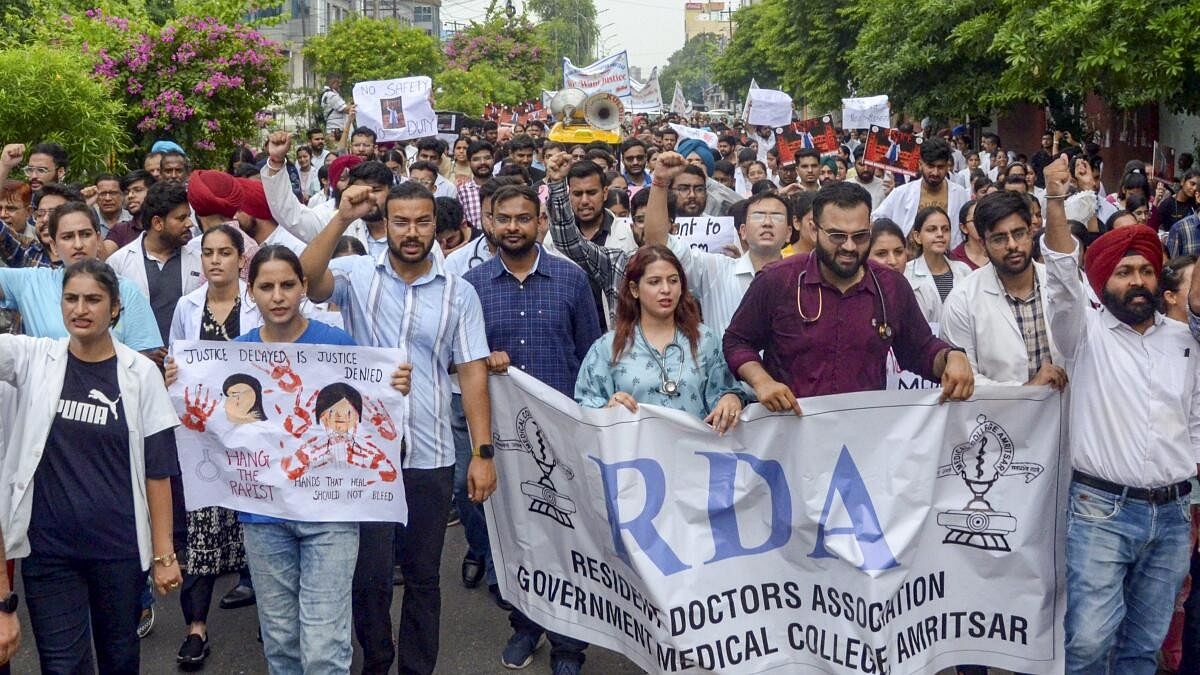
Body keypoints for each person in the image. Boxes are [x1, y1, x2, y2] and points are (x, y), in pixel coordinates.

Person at [300, 181, 495, 675]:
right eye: (401, 221)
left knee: (425, 577)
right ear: (386, 224)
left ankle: (416, 668)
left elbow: (471, 369)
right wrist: (342, 218)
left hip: (430, 455)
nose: (412, 233)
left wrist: (482, 452)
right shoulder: (356, 274)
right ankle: (377, 660)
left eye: (422, 221)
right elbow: (305, 278)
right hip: (364, 457)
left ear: (437, 225)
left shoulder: (460, 293)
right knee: (369, 579)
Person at [1041, 153, 1197, 675]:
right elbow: (1063, 277)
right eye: (1125, 271)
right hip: (1101, 512)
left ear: (1160, 280)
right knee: (1087, 644)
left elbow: (1194, 417)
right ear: (1104, 279)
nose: (1136, 281)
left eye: (1146, 271)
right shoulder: (1082, 336)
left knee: (1143, 646)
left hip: (1173, 516)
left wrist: (1187, 464)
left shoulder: (1182, 341)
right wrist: (1057, 200)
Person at [0, 258, 181, 673]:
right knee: (61, 666)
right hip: (49, 552)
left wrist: (164, 553)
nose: (80, 309)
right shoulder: (33, 358)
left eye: (93, 300)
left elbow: (158, 469)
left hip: (118, 550)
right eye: (71, 299)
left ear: (115, 308)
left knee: (119, 660)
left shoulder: (140, 374)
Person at [461, 184, 601, 674]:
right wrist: (483, 359)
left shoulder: (571, 279)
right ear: (490, 222)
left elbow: (592, 356)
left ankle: (569, 646)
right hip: (497, 440)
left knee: (565, 539)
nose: (514, 227)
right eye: (504, 218)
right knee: (510, 537)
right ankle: (525, 624)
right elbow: (457, 362)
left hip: (561, 438)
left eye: (524, 218)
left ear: (540, 221)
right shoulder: (471, 286)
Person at [722, 181, 974, 409]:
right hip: (791, 435)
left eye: (860, 236)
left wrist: (951, 357)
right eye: (837, 236)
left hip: (861, 437)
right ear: (813, 229)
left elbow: (920, 349)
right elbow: (736, 341)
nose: (850, 247)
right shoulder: (778, 280)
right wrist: (762, 381)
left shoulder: (891, 286)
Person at [228, 245, 360, 674]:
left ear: (305, 286)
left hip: (331, 513)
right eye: (266, 287)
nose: (278, 295)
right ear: (251, 293)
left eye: (288, 284)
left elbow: (369, 414)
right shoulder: (234, 354)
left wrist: (395, 383)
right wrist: (181, 384)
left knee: (324, 645)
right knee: (281, 642)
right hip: (264, 516)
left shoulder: (338, 343)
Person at [164, 224, 259, 667]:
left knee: (260, 529)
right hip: (203, 439)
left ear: (242, 258)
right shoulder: (187, 307)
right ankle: (196, 629)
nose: (215, 260)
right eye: (208, 252)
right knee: (202, 528)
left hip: (255, 437)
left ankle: (270, 620)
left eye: (225, 252)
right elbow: (177, 362)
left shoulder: (258, 302)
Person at [576, 244, 744, 430]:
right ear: (634, 289)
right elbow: (586, 406)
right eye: (654, 282)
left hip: (694, 454)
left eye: (673, 280)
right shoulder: (609, 346)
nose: (666, 289)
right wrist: (608, 408)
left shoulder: (704, 339)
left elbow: (725, 389)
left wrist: (732, 398)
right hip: (633, 455)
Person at [939, 190, 1066, 391]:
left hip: (1065, 416)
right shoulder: (962, 300)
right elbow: (964, 380)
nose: (1013, 245)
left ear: (1031, 231)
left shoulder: (1060, 286)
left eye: (1019, 234)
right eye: (999, 239)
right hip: (997, 420)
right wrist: (1026, 389)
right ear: (982, 243)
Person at [0, 201, 162, 351]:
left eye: (85, 234)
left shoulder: (126, 290)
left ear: (98, 239)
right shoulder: (30, 283)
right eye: (67, 237)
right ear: (54, 246)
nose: (78, 244)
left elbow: (145, 356)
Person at [106, 181, 204, 344]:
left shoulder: (199, 260)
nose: (189, 224)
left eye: (189, 216)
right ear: (158, 223)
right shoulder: (119, 263)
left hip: (187, 361)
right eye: (181, 218)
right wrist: (142, 351)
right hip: (136, 361)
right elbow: (111, 320)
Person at [873, 137, 970, 245]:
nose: (935, 172)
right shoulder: (901, 193)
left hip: (949, 259)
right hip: (910, 258)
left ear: (947, 166)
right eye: (930, 166)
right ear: (920, 165)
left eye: (940, 167)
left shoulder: (960, 194)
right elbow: (876, 221)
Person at [903, 206, 972, 325]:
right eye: (932, 229)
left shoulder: (964, 270)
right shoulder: (906, 273)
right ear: (917, 237)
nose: (940, 234)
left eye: (945, 229)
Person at [103, 169, 157, 254]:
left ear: (153, 192)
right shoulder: (121, 230)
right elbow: (103, 257)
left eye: (137, 190)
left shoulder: (166, 227)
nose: (130, 196)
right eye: (126, 193)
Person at [458, 141, 496, 229]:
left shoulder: (504, 187)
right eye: (476, 159)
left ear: (493, 159)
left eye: (487, 158)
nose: (482, 162)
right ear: (469, 162)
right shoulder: (463, 191)